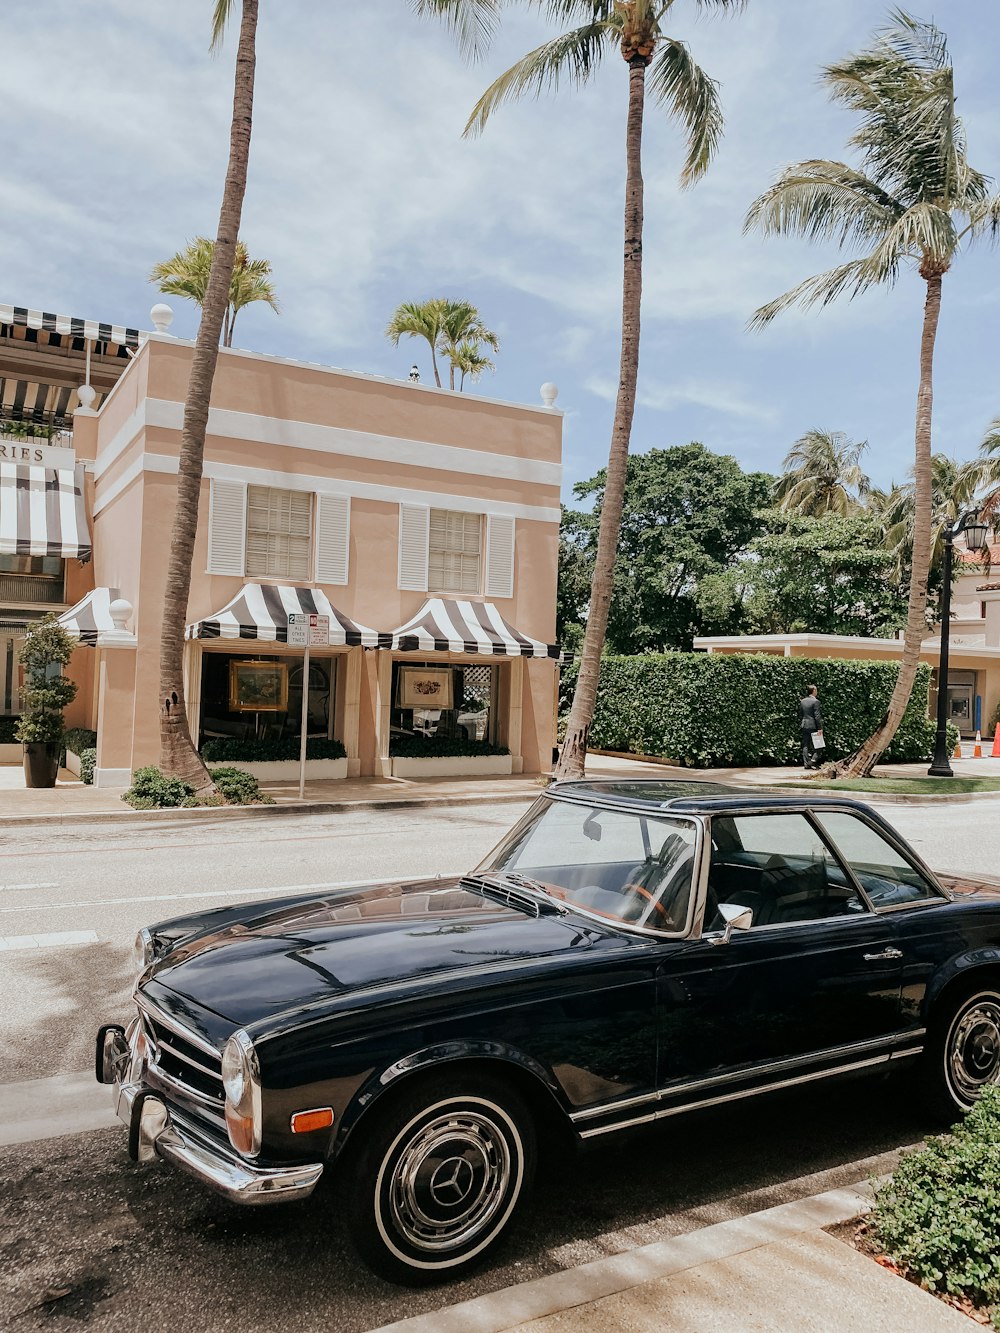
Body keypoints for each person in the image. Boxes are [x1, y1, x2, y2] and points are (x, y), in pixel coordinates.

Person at [797, 685, 823, 769]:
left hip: (804, 724)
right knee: (819, 745)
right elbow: (817, 716)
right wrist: (820, 728)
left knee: (805, 745)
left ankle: (806, 763)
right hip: (813, 725)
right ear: (813, 691)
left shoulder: (803, 701)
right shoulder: (816, 702)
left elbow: (800, 714)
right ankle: (812, 761)